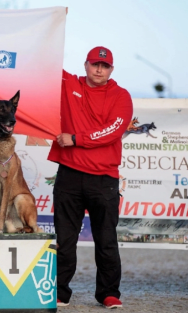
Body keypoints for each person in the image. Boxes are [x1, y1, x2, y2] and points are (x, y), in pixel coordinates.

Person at [48, 46, 133, 309]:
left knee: (106, 239)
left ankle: (108, 293)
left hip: (103, 179)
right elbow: (44, 66)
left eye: (104, 66)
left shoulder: (121, 95)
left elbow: (114, 129)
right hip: (69, 175)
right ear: (85, 65)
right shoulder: (69, 84)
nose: (99, 69)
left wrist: (75, 139)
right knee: (64, 239)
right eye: (95, 64)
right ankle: (59, 292)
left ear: (111, 70)